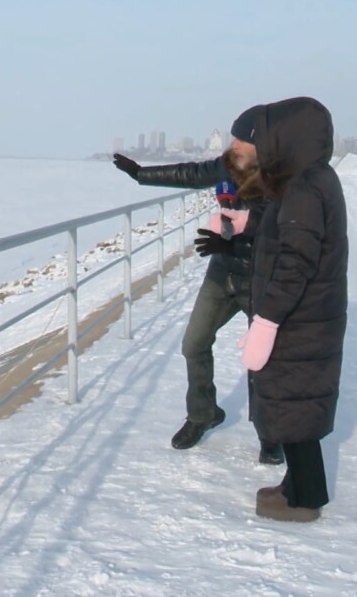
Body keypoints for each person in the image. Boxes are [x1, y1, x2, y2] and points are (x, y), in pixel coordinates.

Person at [111, 107, 283, 465]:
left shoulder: (280, 178)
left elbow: (277, 225)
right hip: (223, 273)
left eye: (242, 139)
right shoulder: (228, 165)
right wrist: (141, 174)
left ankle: (270, 432)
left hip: (260, 276)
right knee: (194, 343)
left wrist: (240, 237)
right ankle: (203, 414)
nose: (234, 144)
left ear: (261, 146)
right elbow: (191, 173)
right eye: (233, 136)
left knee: (262, 360)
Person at [220, 97, 348, 522]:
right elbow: (287, 234)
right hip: (307, 317)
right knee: (296, 407)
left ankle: (306, 500)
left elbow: (296, 261)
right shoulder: (308, 179)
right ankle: (296, 485)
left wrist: (268, 321)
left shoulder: (306, 187)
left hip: (300, 319)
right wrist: (246, 225)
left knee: (297, 409)